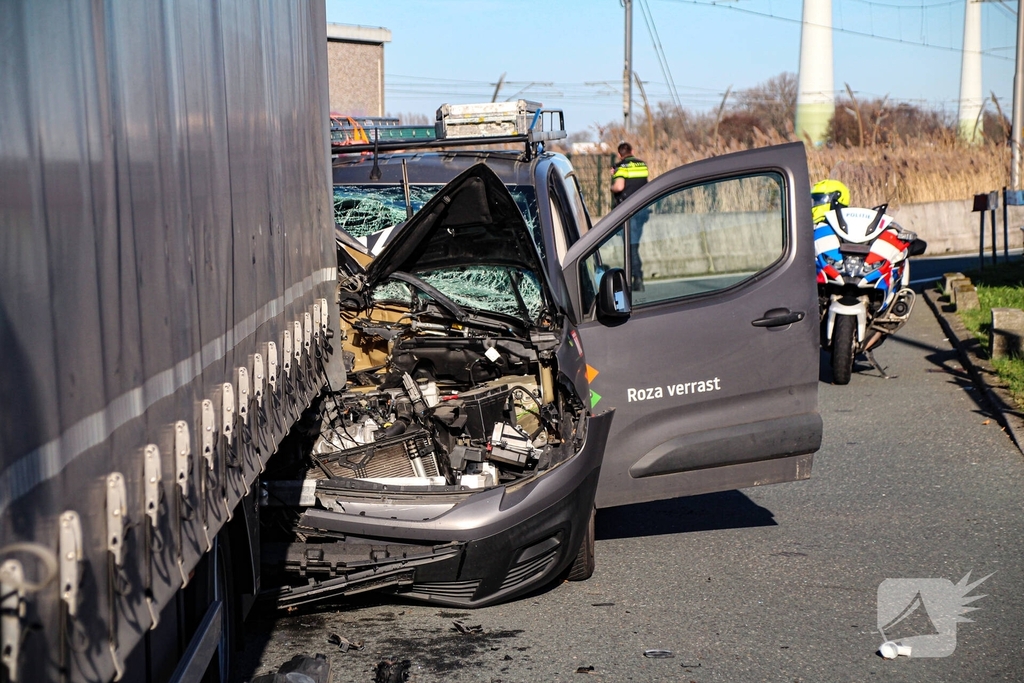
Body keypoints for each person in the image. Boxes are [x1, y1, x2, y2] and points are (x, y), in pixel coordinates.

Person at [610, 142, 650, 290]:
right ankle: (635, 278)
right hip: (642, 209)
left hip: (628, 211)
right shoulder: (642, 165)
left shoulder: (621, 167)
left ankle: (637, 279)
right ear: (632, 151)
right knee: (634, 244)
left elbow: (619, 186)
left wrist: (612, 185)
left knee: (630, 246)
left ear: (619, 154)